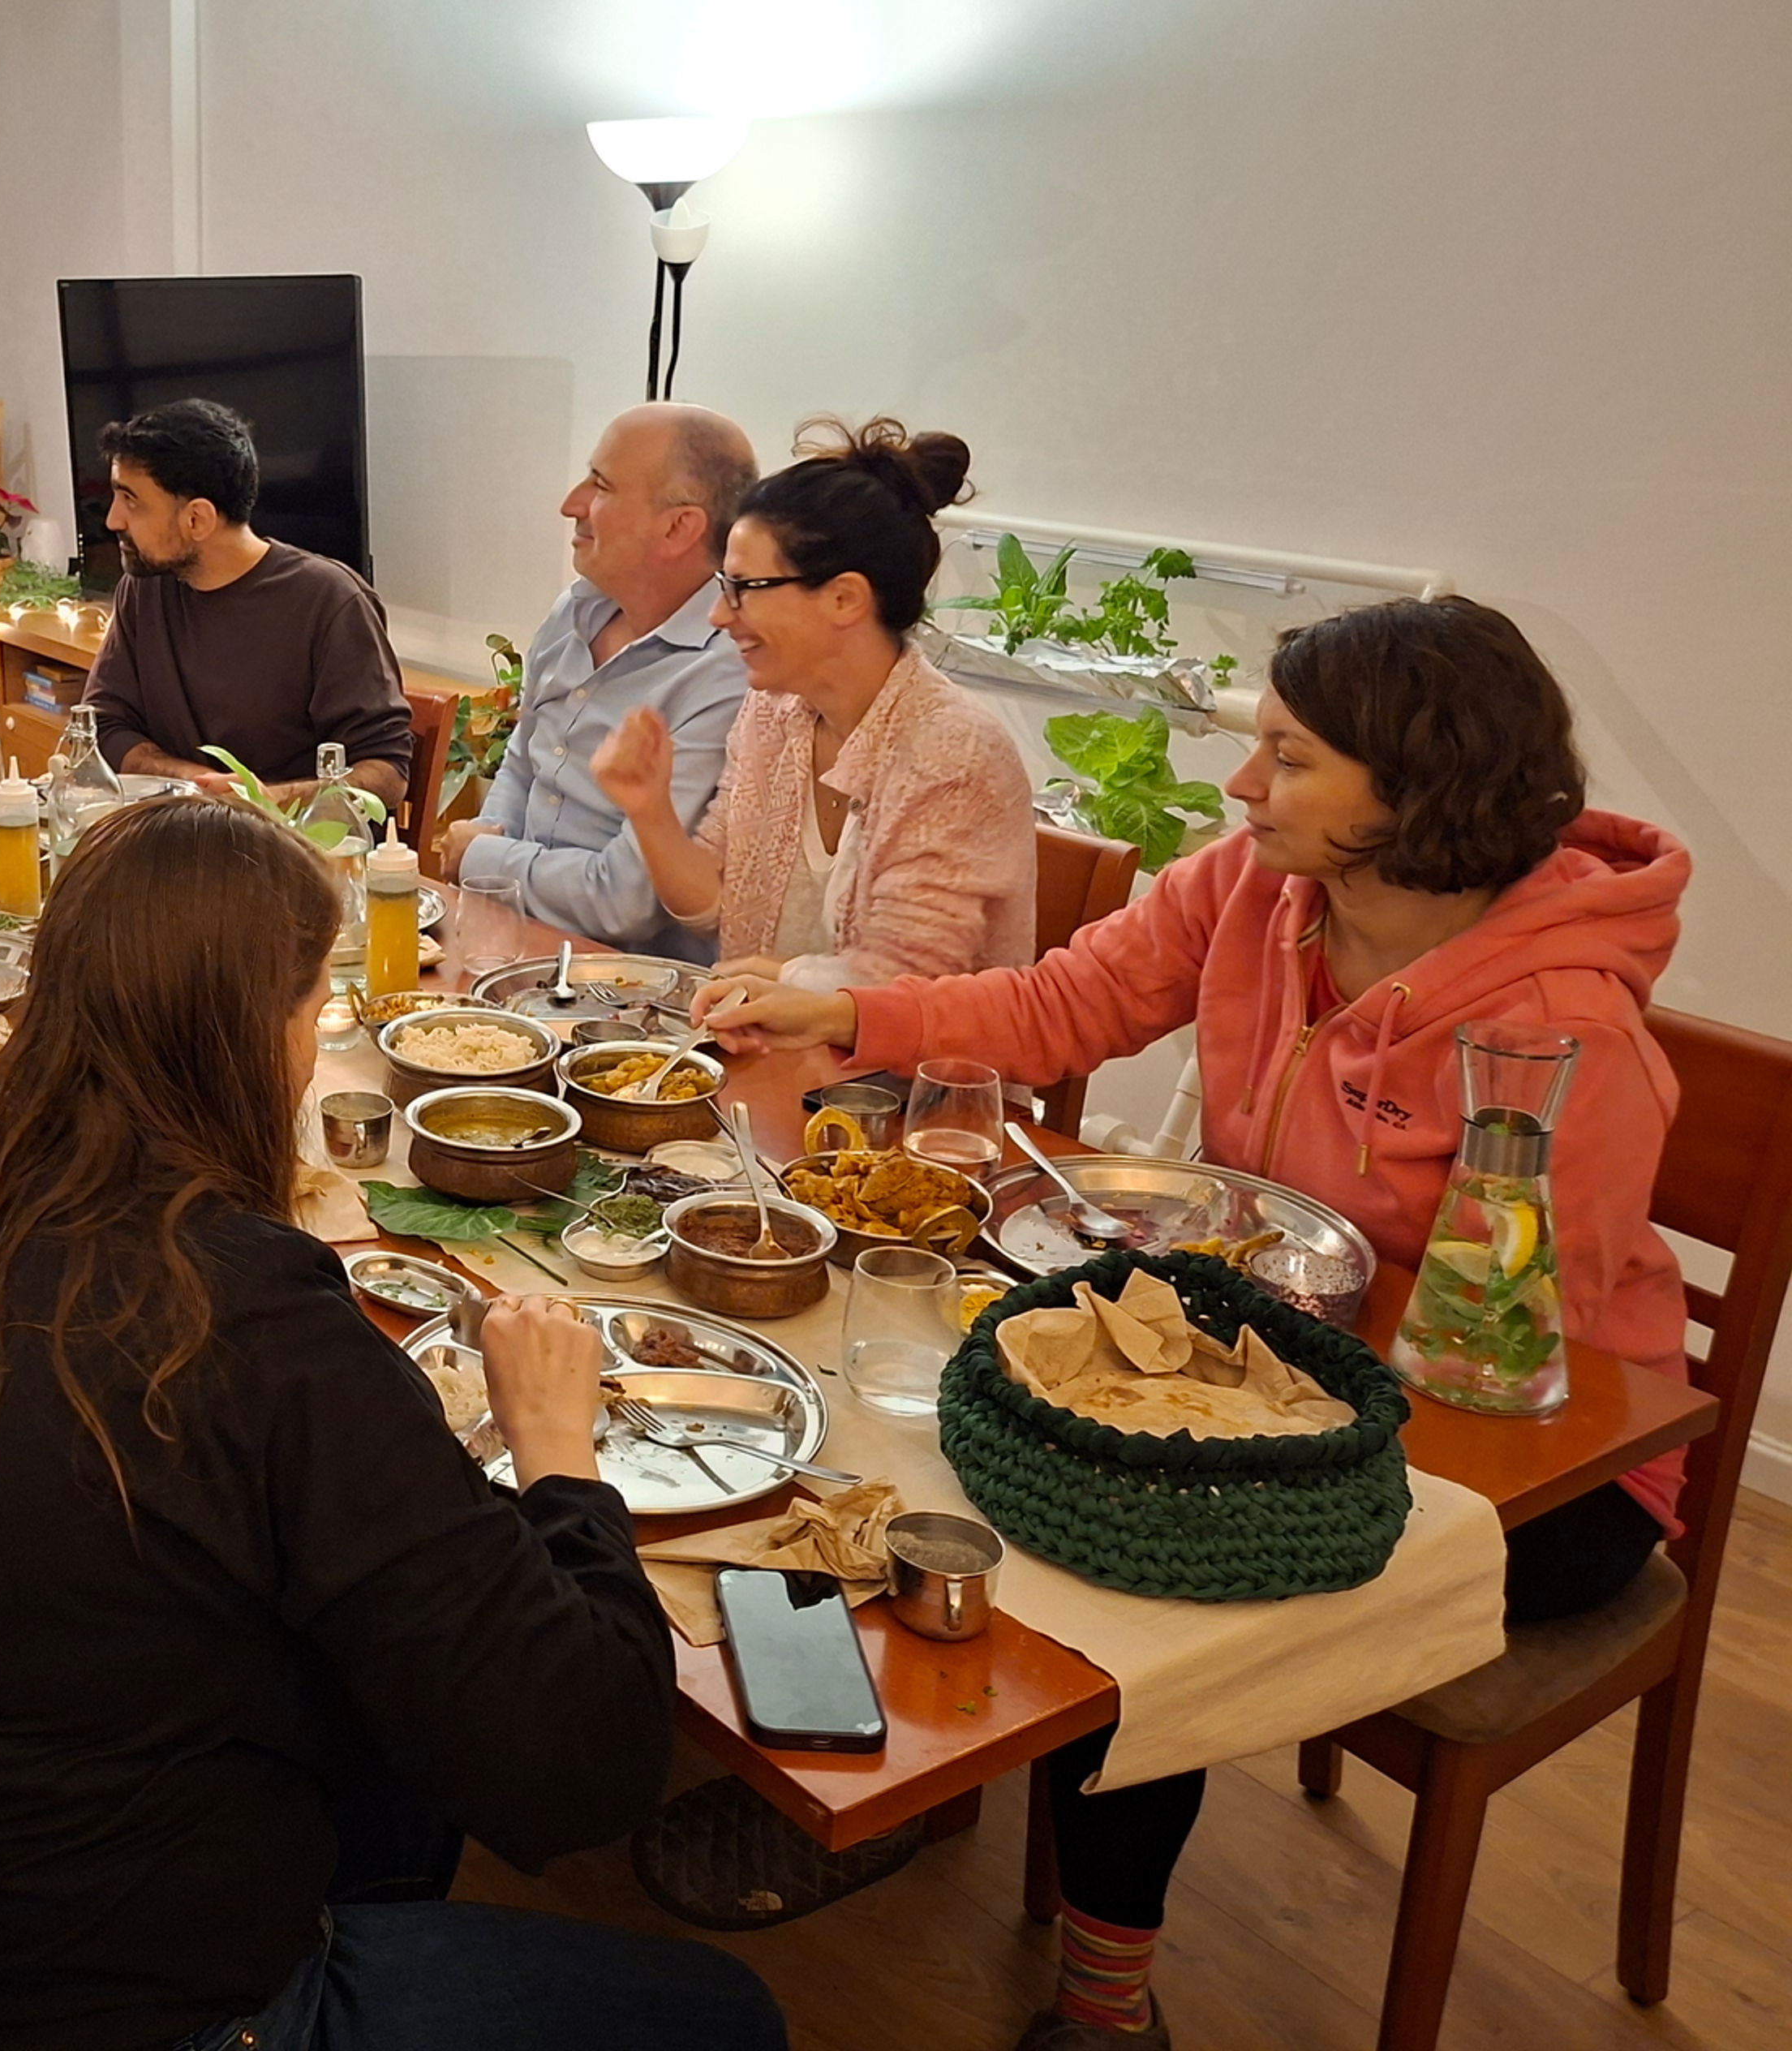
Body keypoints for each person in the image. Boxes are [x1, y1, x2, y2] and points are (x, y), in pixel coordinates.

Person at [698, 596, 1688, 2049]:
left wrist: (1227, 1387)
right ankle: (932, 1757)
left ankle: (1103, 1996)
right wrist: (847, 1023)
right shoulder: (1262, 888)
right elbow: (1067, 1001)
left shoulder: (1554, 1030)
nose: (1241, 786)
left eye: (1288, 761)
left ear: (1413, 790)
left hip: (1539, 1466)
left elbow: (1529, 1344)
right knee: (949, 1416)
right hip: (1267, 1354)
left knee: (1148, 1560)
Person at [0, 798, 789, 2051]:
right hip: (118, 2003)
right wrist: (560, 1454)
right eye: (313, 1007)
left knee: (397, 1727)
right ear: (253, 1029)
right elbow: (592, 1765)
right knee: (727, 2017)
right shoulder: (248, 1326)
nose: (312, 1045)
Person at [592, 417, 1034, 988]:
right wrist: (649, 810)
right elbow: (718, 909)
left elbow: (907, 988)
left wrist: (779, 980)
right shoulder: (776, 712)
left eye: (744, 589)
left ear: (845, 598)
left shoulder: (954, 752)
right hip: (775, 1057)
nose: (719, 615)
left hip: (896, 1077)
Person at [430, 403, 758, 957]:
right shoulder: (576, 609)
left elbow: (627, 901)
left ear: (679, 527)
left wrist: (481, 858)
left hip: (628, 995)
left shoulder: (728, 671)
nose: (571, 504)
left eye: (601, 486)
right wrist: (487, 853)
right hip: (515, 945)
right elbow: (522, 760)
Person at [80, 398, 413, 806]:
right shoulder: (146, 587)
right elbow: (103, 727)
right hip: (177, 837)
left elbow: (386, 773)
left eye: (131, 501)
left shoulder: (330, 601)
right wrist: (196, 782)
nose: (113, 520)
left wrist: (261, 800)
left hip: (289, 854)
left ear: (197, 519)